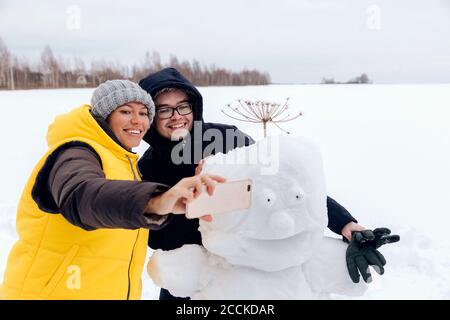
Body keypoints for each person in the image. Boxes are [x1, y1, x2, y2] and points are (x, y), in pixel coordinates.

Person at [138, 68, 383, 300]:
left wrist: (345, 222)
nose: (177, 116)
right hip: (188, 276)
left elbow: (284, 185)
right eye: (165, 110)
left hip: (247, 269)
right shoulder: (147, 169)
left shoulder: (226, 139)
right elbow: (156, 240)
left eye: (183, 106)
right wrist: (197, 202)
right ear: (150, 116)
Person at [0, 80, 223, 300]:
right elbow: (83, 195)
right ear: (104, 116)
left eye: (144, 113)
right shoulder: (76, 152)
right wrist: (154, 201)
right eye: (125, 111)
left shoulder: (124, 162)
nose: (137, 120)